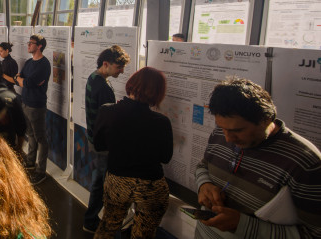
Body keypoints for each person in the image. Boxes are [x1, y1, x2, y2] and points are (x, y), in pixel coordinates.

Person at [195, 77, 321, 239]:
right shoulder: (221, 133)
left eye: (238, 130)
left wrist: (242, 225)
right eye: (222, 127)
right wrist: (204, 184)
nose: (227, 138)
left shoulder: (304, 163)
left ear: (266, 119)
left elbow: (314, 234)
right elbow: (203, 166)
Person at [92, 67, 172, 239]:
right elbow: (166, 157)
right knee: (144, 234)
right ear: (157, 93)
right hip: (151, 185)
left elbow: (99, 145)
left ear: (132, 84)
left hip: (117, 180)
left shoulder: (107, 111)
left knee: (108, 226)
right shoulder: (162, 122)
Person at [83, 45, 131, 233]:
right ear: (106, 64)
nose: (122, 71)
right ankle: (91, 220)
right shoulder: (103, 87)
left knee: (99, 180)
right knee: (100, 183)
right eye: (119, 67)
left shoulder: (93, 77)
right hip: (103, 143)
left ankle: (91, 218)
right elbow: (107, 121)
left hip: (95, 138)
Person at [14, 34, 51, 184]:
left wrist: (21, 80)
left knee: (41, 139)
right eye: (28, 42)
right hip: (25, 102)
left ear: (39, 46)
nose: (28, 45)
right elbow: (19, 78)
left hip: (36, 106)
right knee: (30, 135)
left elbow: (28, 83)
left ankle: (41, 171)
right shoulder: (29, 62)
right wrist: (20, 80)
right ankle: (30, 162)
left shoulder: (44, 64)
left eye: (31, 43)